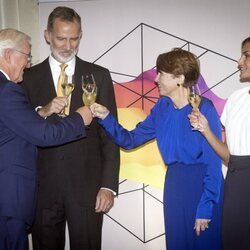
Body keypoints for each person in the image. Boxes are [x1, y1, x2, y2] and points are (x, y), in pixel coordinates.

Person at [91, 48, 224, 250]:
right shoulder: (162, 108)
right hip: (174, 187)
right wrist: (106, 117)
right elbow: (130, 140)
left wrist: (206, 207)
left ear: (179, 78)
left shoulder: (204, 108)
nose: (156, 79)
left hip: (202, 188)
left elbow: (214, 164)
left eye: (161, 73)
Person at [21, 6, 120, 250]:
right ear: (47, 35)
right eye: (61, 38)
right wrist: (41, 112)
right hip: (42, 190)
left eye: (74, 38)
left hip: (87, 189)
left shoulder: (99, 75)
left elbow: (110, 134)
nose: (67, 45)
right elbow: (22, 131)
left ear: (81, 35)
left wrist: (108, 186)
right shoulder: (27, 78)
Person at [0, 28, 92, 250]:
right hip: (9, 201)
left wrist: (41, 113)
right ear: (9, 55)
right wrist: (80, 118)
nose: (29, 63)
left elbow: (12, 128)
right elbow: (44, 135)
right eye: (26, 56)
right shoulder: (7, 91)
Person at [189, 36, 250, 250]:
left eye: (247, 55)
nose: (239, 61)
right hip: (236, 182)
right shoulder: (236, 99)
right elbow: (228, 156)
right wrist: (206, 129)